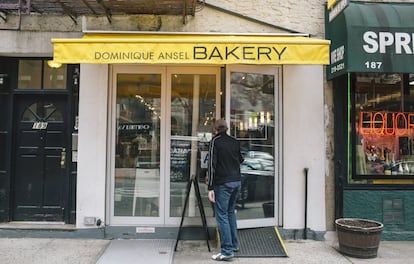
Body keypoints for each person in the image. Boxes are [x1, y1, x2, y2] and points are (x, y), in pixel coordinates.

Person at [207, 119, 244, 261]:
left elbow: (211, 165)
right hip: (236, 182)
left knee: (221, 215)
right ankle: (234, 245)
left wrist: (210, 187)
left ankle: (227, 251)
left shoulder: (215, 142)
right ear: (227, 128)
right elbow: (241, 160)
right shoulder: (235, 141)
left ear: (215, 129)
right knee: (230, 213)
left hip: (223, 183)